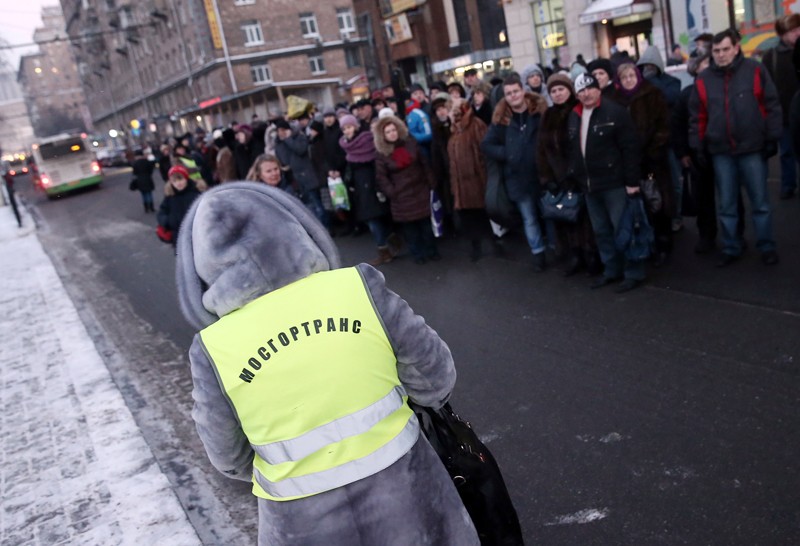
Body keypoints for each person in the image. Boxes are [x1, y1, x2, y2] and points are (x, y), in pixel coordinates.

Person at [174, 182, 480, 546]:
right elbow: (435, 379)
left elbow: (228, 457)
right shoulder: (356, 287)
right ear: (294, 227)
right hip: (410, 497)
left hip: (299, 524)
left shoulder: (213, 348)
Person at [689, 28, 781, 267]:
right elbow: (697, 117)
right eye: (716, 50)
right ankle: (732, 246)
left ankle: (766, 246)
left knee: (760, 203)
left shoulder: (755, 70)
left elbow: (771, 104)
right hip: (721, 151)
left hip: (752, 147)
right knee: (727, 205)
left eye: (725, 49)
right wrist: (698, 146)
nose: (721, 54)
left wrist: (773, 136)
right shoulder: (704, 79)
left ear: (736, 48)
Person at [567, 73, 644, 293]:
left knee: (624, 229)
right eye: (580, 90)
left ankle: (633, 272)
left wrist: (631, 181)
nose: (586, 93)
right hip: (590, 186)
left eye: (589, 88)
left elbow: (630, 148)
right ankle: (612, 270)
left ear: (598, 88)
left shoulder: (616, 112)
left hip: (614, 183)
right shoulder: (574, 115)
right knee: (601, 231)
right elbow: (573, 149)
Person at [481, 73, 550, 271]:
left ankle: (557, 248)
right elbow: (486, 145)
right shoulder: (501, 119)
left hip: (542, 175)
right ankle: (538, 254)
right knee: (529, 218)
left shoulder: (539, 112)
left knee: (551, 214)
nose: (513, 96)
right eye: (508, 93)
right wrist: (507, 153)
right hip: (517, 179)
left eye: (515, 91)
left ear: (523, 91)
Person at [613, 62, 674, 267]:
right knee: (639, 207)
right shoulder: (615, 101)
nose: (629, 80)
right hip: (628, 163)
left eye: (632, 75)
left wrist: (653, 151)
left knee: (658, 203)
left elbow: (664, 125)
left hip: (652, 161)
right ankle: (646, 246)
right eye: (624, 77)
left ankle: (663, 244)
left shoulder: (652, 94)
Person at [537, 74, 599, 276]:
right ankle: (574, 255)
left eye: (561, 89)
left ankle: (591, 256)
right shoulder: (547, 115)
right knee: (565, 218)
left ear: (569, 90)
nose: (557, 93)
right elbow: (541, 150)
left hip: (579, 177)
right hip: (557, 178)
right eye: (553, 91)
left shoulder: (578, 110)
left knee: (585, 220)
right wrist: (547, 179)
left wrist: (575, 174)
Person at [373, 115, 439, 264]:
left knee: (426, 227)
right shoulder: (381, 154)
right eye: (388, 132)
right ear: (383, 135)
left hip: (420, 190)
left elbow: (424, 164)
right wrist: (392, 192)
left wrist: (431, 183)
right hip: (401, 197)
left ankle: (432, 251)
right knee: (411, 231)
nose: (392, 133)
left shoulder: (410, 142)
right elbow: (381, 177)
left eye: (393, 129)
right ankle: (418, 255)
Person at [338, 114, 393, 265]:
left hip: (372, 184)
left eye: (348, 127)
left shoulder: (367, 140)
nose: (346, 131)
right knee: (372, 219)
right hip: (359, 188)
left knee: (375, 218)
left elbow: (375, 163)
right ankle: (386, 246)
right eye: (344, 128)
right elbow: (350, 165)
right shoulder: (347, 145)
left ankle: (385, 248)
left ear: (355, 126)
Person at [447, 97, 491, 261]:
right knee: (468, 218)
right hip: (461, 185)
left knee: (482, 213)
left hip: (476, 181)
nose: (450, 114)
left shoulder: (476, 125)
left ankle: (493, 243)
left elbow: (484, 154)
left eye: (453, 110)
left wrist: (484, 178)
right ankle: (476, 246)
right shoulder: (454, 131)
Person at [762, 13, 800, 199]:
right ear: (783, 34)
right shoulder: (772, 56)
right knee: (786, 152)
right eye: (793, 30)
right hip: (784, 114)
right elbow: (766, 88)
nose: (797, 33)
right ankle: (788, 184)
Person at [274, 119, 328, 228]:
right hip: (293, 180)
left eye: (283, 130)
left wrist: (288, 139)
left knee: (317, 205)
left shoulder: (299, 137)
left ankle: (324, 229)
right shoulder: (278, 144)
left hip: (308, 176)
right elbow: (283, 159)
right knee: (304, 208)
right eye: (278, 131)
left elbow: (300, 150)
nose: (281, 133)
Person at [157, 164, 203, 250]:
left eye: (180, 179)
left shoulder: (196, 194)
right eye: (174, 181)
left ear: (186, 178)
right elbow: (162, 212)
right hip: (178, 238)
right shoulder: (170, 197)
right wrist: (167, 221)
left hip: (196, 236)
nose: (178, 183)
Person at [131, 148, 156, 213]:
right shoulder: (147, 161)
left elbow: (134, 173)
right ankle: (151, 207)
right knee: (149, 194)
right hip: (148, 179)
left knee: (144, 194)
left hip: (140, 180)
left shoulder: (135, 163)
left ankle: (146, 208)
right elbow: (151, 170)